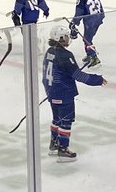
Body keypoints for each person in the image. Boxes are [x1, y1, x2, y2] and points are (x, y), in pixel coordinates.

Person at [43, 23, 105, 160]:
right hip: (64, 92)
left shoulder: (49, 52)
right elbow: (78, 75)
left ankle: (54, 145)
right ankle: (63, 150)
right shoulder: (65, 55)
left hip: (52, 91)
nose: (68, 38)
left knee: (57, 119)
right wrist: (97, 80)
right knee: (66, 120)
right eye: (65, 36)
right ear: (59, 38)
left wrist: (50, 90)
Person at [72, 0, 105, 67]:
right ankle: (89, 54)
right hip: (98, 19)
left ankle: (93, 57)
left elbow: (79, 11)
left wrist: (75, 22)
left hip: (90, 21)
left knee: (87, 39)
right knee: (88, 38)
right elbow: (101, 9)